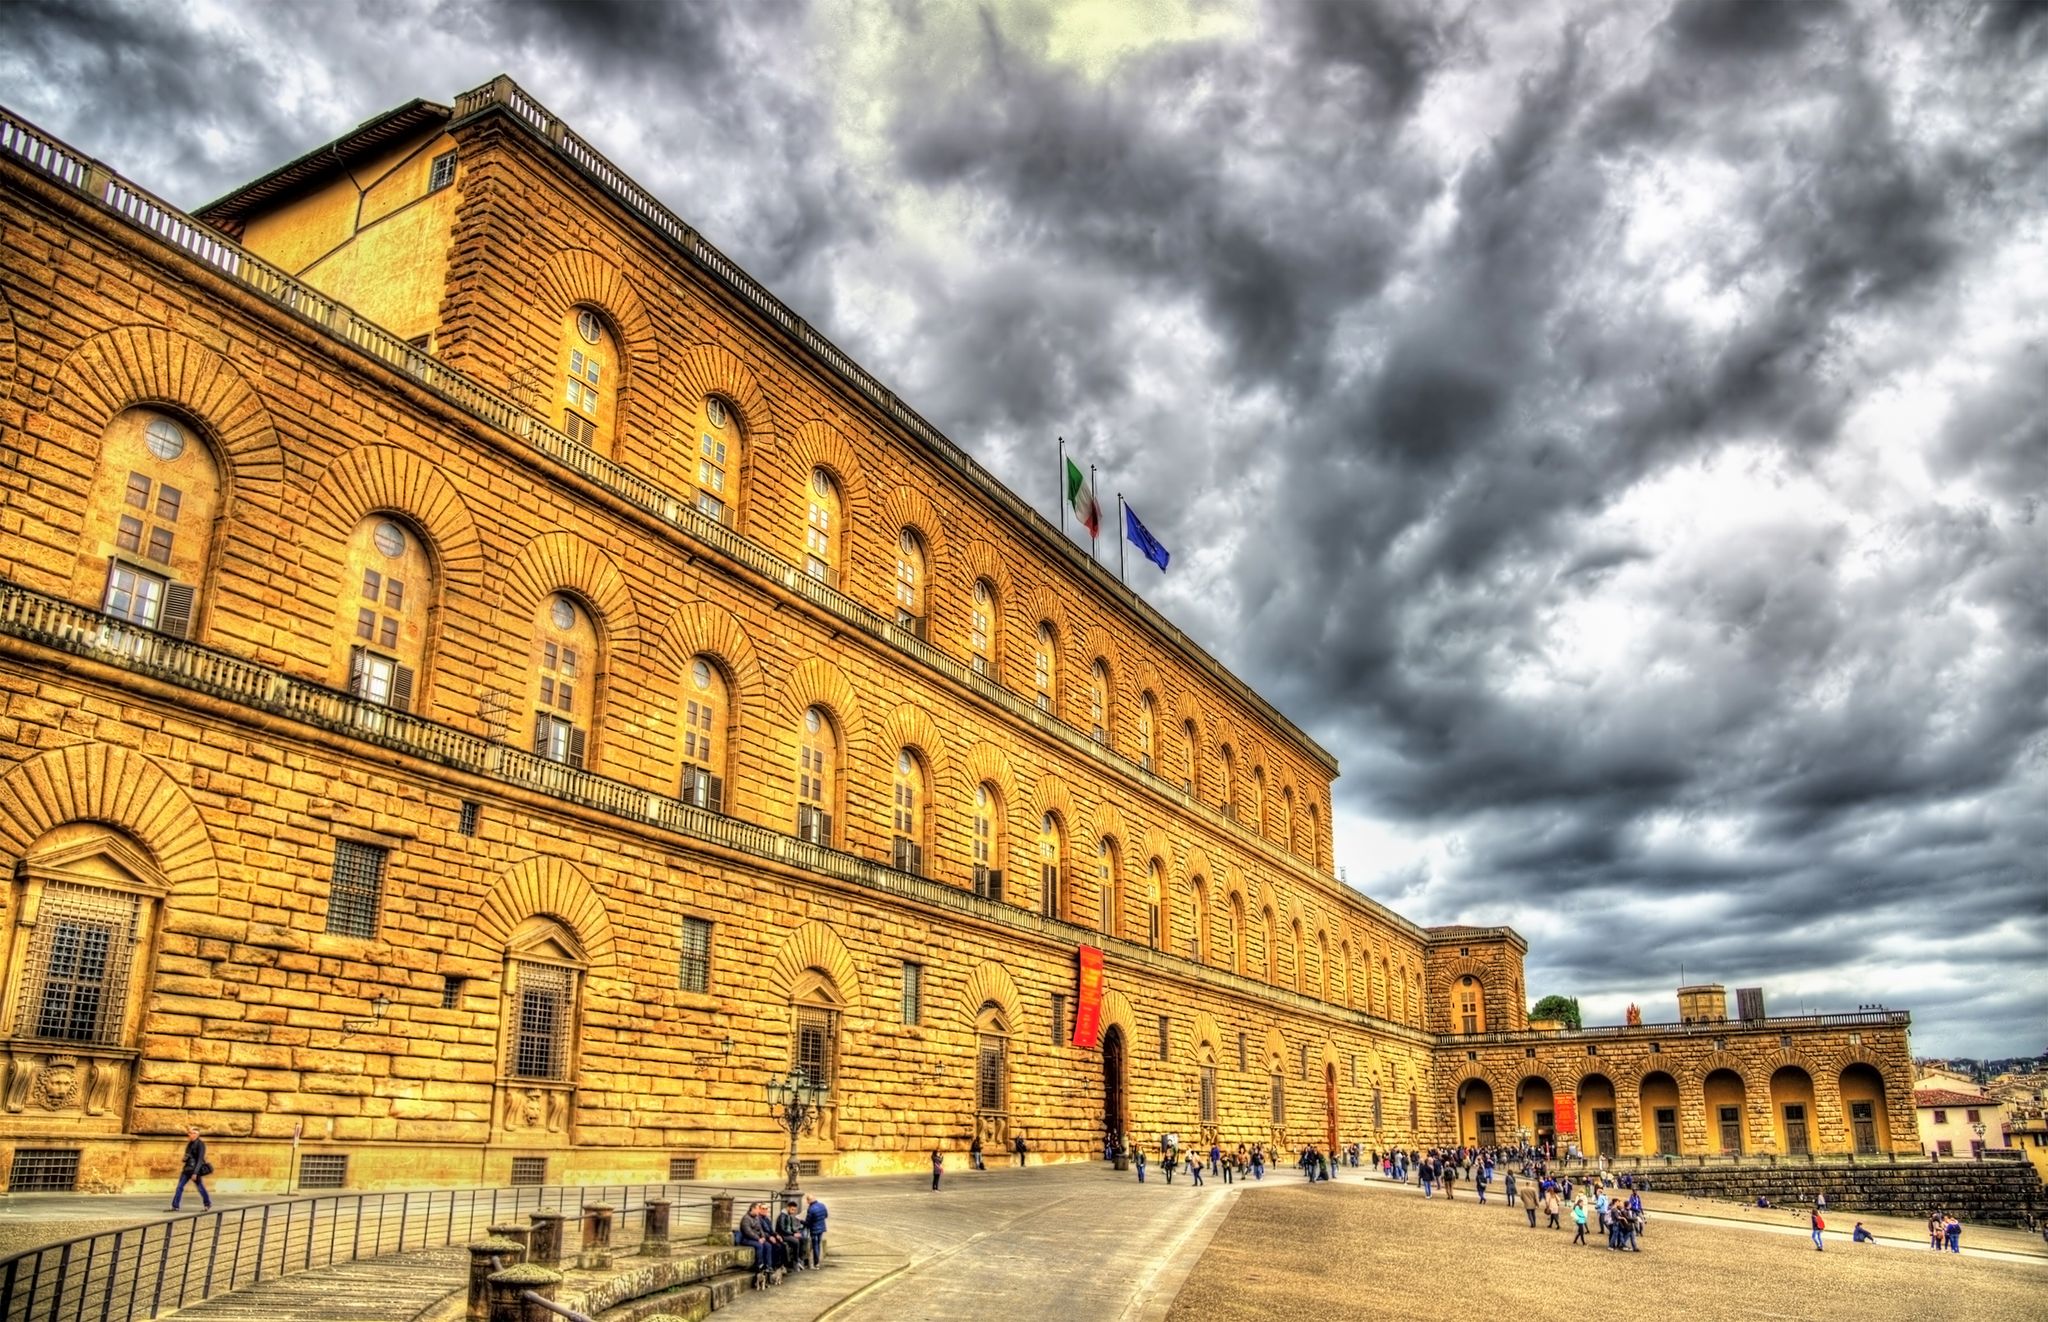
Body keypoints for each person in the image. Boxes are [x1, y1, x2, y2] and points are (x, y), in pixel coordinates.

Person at [739, 1202, 780, 1287]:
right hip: (747, 1239)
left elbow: (761, 1229)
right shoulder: (746, 1218)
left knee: (768, 1245)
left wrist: (763, 1237)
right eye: (758, 1209)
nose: (759, 1211)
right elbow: (748, 1232)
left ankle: (768, 1265)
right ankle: (759, 1265)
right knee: (759, 1245)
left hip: (758, 1238)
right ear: (753, 1209)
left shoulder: (756, 1218)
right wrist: (758, 1239)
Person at [170, 1127, 212, 1212]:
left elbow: (200, 1159)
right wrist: (185, 1158)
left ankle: (207, 1203)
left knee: (200, 1187)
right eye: (189, 1133)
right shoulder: (190, 1144)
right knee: (179, 1187)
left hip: (194, 1171)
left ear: (196, 1134)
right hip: (187, 1169)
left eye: (191, 1133)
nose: (189, 1134)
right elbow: (188, 1155)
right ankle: (175, 1206)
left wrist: (195, 1173)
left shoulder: (200, 1144)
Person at [777, 1199, 811, 1269]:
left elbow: (791, 1227)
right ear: (788, 1207)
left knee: (802, 1239)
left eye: (795, 1210)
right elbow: (782, 1229)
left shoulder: (789, 1216)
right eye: (792, 1209)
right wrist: (793, 1234)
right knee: (796, 1242)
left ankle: (800, 1258)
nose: (794, 1212)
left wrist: (795, 1232)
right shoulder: (782, 1216)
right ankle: (795, 1261)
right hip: (783, 1235)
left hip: (789, 1234)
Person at [804, 1194, 829, 1267]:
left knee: (815, 1245)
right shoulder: (822, 1205)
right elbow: (826, 1215)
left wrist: (801, 1221)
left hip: (814, 1229)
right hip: (821, 1227)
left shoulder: (811, 1209)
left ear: (809, 1200)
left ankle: (816, 1262)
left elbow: (808, 1222)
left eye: (807, 1200)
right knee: (818, 1243)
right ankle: (817, 1261)